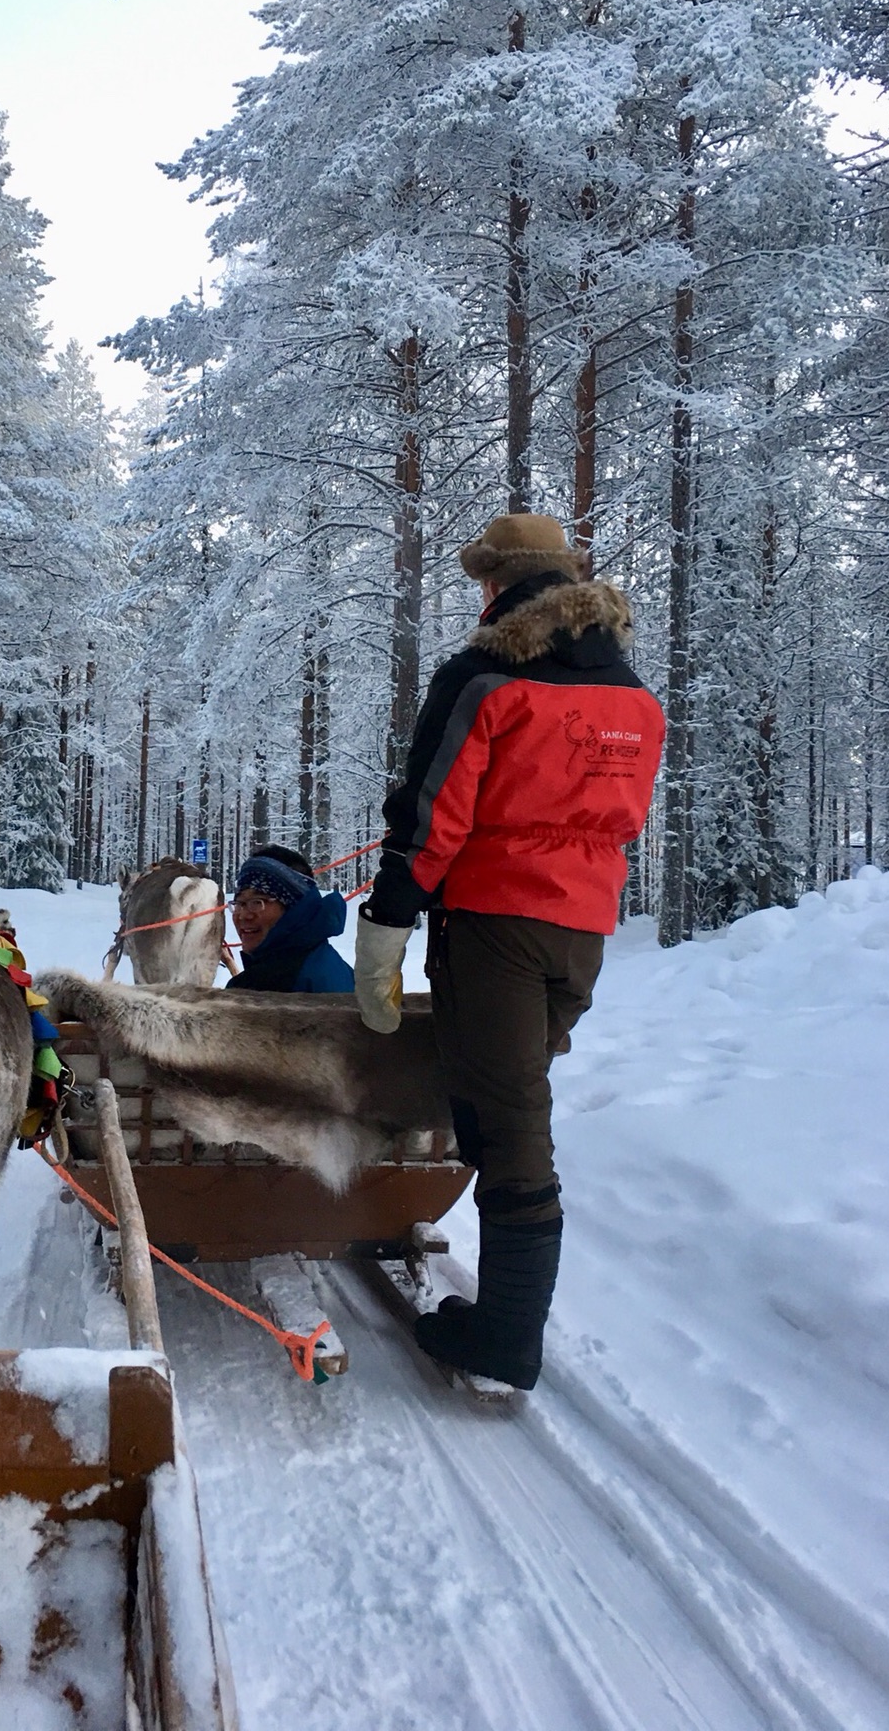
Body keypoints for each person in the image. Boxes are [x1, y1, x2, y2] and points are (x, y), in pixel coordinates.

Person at [353, 513, 664, 1390]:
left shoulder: (486, 678)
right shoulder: (635, 699)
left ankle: (508, 1337)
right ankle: (506, 1319)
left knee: (512, 1122)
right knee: (507, 1101)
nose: (480, 596)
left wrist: (388, 923)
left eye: (483, 581)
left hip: (496, 929)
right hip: (584, 935)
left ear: (500, 586)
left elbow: (432, 815)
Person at [227, 845, 355, 994]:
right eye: (239, 903)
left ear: (294, 907)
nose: (243, 915)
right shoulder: (327, 963)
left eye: (257, 902)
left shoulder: (278, 983)